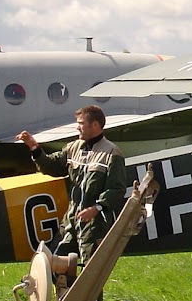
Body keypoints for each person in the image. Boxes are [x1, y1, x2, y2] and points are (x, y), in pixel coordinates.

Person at [15, 105, 128, 266]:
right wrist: (34, 147)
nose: (77, 127)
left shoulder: (111, 153)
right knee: (54, 262)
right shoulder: (73, 148)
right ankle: (63, 284)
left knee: (91, 271)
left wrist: (96, 208)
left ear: (95, 125)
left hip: (95, 224)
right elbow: (51, 165)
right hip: (71, 220)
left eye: (81, 123)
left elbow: (117, 189)